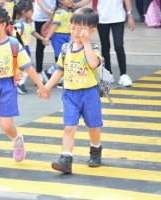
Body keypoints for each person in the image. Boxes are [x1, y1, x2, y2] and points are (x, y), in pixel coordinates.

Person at [0, 5, 50, 175]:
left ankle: (17, 139)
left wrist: (42, 86)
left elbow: (28, 67)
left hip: (7, 85)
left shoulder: (13, 45)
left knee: (7, 126)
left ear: (3, 25)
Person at [40, 7, 103, 174]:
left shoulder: (93, 48)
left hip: (89, 93)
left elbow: (93, 63)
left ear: (92, 31)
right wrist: (47, 87)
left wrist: (87, 42)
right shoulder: (66, 48)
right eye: (73, 28)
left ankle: (95, 149)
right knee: (69, 127)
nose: (76, 32)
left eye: (81, 29)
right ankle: (66, 158)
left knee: (93, 126)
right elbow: (59, 70)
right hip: (70, 95)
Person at [74, 0, 135, 87]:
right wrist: (75, 5)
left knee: (119, 46)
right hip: (102, 19)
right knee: (105, 47)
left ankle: (123, 75)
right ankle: (108, 74)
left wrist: (130, 15)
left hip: (118, 17)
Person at [12, 0, 47, 94]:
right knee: (28, 68)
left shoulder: (28, 23)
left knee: (24, 68)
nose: (33, 12)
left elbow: (33, 32)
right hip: (22, 49)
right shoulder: (19, 24)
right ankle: (19, 84)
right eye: (31, 10)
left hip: (25, 48)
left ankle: (19, 83)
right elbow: (15, 38)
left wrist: (43, 39)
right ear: (24, 11)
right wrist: (20, 50)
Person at [42, 0, 73, 88]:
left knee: (63, 57)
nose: (71, 1)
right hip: (58, 37)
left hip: (66, 37)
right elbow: (54, 26)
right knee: (61, 58)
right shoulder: (59, 12)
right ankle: (60, 79)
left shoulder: (69, 12)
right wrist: (47, 38)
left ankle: (49, 73)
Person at [32, 0, 56, 82]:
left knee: (57, 44)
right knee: (40, 45)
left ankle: (57, 72)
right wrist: (46, 10)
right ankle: (38, 72)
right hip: (40, 17)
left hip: (55, 17)